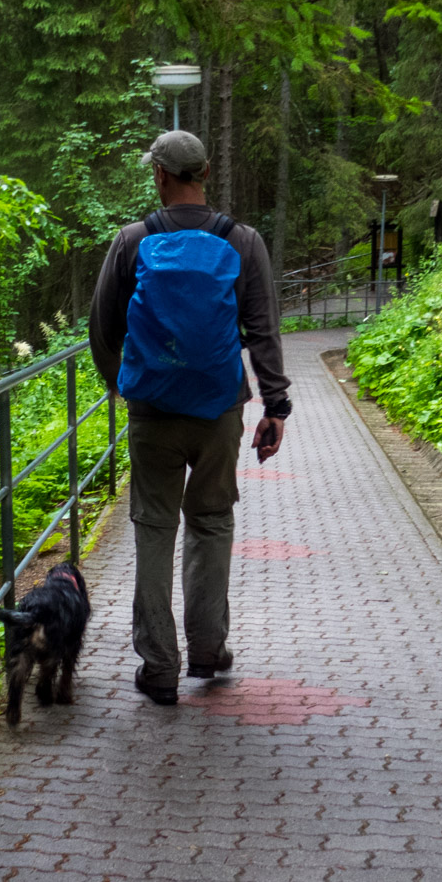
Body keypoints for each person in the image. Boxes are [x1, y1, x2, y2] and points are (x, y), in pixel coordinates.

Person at [90, 130, 291, 705]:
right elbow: (263, 331)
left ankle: (159, 666)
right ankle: (208, 650)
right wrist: (275, 407)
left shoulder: (133, 240)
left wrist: (124, 388)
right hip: (219, 410)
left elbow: (102, 329)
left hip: (152, 409)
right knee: (211, 522)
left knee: (154, 528)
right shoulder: (244, 241)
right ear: (205, 174)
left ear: (159, 175)